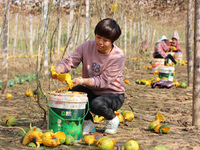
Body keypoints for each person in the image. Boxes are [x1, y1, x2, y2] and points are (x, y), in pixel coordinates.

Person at [53, 18, 126, 134]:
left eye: (105, 40)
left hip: (113, 94)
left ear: (113, 41)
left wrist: (82, 80)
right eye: (98, 37)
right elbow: (71, 60)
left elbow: (102, 81)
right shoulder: (87, 46)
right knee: (72, 93)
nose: (100, 42)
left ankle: (112, 119)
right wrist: (59, 69)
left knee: (97, 105)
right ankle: (88, 122)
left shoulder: (118, 57)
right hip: (92, 91)